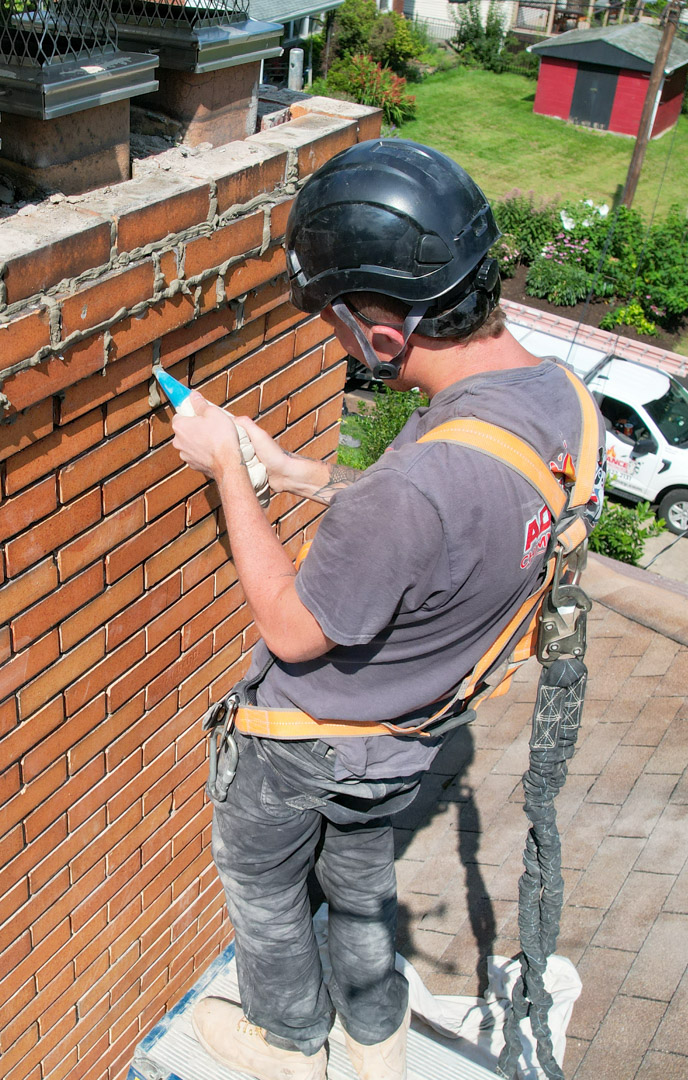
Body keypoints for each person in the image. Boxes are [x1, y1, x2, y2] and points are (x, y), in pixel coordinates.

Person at [170, 139, 602, 1080]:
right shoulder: (559, 406)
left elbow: (291, 627)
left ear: (384, 331)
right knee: (358, 885)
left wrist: (228, 479)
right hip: (410, 736)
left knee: (263, 883)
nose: (337, 340)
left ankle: (287, 1044)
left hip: (309, 741)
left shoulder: (418, 488)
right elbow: (426, 520)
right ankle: (377, 1039)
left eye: (336, 321)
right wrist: (289, 472)